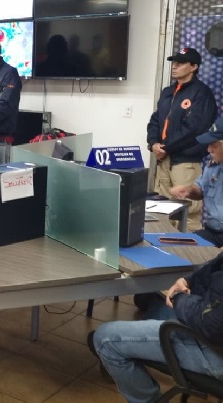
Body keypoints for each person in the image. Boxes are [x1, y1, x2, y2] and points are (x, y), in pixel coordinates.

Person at [91, 251, 223, 402]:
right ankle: (131, 349)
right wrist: (189, 281)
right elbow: (217, 264)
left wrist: (179, 299)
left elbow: (211, 325)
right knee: (153, 303)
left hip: (214, 349)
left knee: (105, 340)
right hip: (208, 318)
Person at [146, 47, 217, 231]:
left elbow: (194, 129)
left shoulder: (202, 93)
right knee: (160, 211)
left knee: (188, 214)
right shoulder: (168, 92)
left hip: (185, 162)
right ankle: (162, 256)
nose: (174, 66)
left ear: (193, 66)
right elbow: (155, 120)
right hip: (163, 160)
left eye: (180, 63)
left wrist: (165, 147)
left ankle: (191, 258)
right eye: (173, 63)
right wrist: (153, 144)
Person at [170, 117, 223, 247]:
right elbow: (200, 190)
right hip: (212, 233)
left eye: (213, 145)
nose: (209, 150)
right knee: (178, 247)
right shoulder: (213, 167)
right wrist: (187, 190)